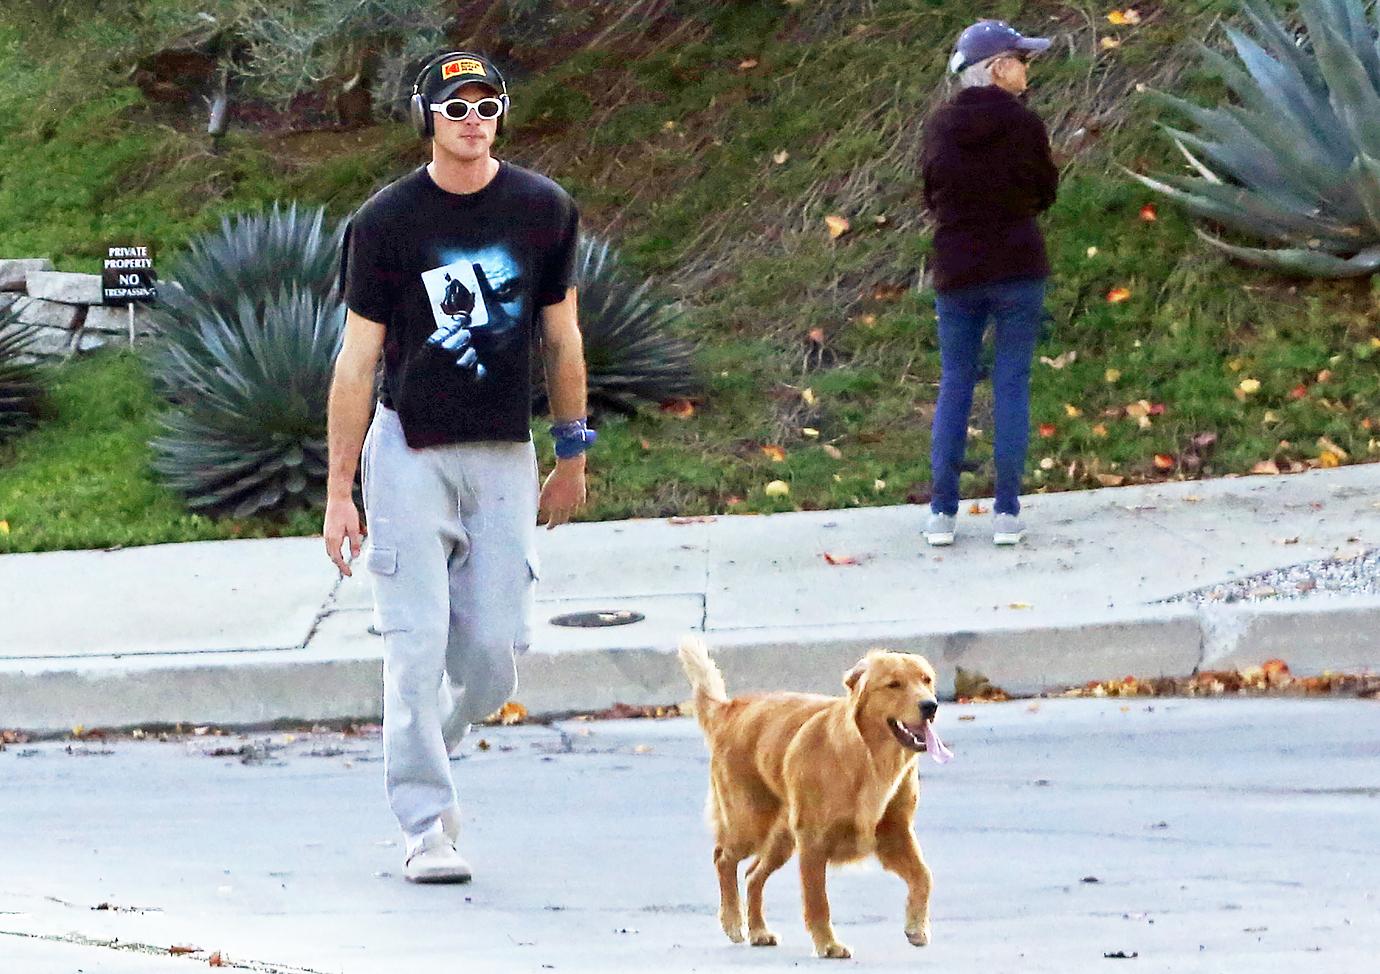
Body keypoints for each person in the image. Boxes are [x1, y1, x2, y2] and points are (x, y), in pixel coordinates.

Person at [323, 51, 594, 883]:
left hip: (504, 455)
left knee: (490, 656)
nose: (472, 119)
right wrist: (340, 490)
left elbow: (562, 339)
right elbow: (357, 362)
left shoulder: (543, 209)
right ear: (429, 117)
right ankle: (424, 826)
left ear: (500, 115)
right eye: (455, 106)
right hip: (409, 454)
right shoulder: (387, 222)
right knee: (413, 647)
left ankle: (427, 755)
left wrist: (572, 453)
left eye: (486, 105)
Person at [920, 20, 1058, 547]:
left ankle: (941, 514)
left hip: (957, 267)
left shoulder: (940, 126)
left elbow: (932, 192)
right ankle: (1005, 513)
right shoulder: (1025, 125)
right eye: (1021, 59)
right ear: (999, 67)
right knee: (1011, 382)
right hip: (1018, 265)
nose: (1027, 69)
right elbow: (1045, 190)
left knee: (955, 381)